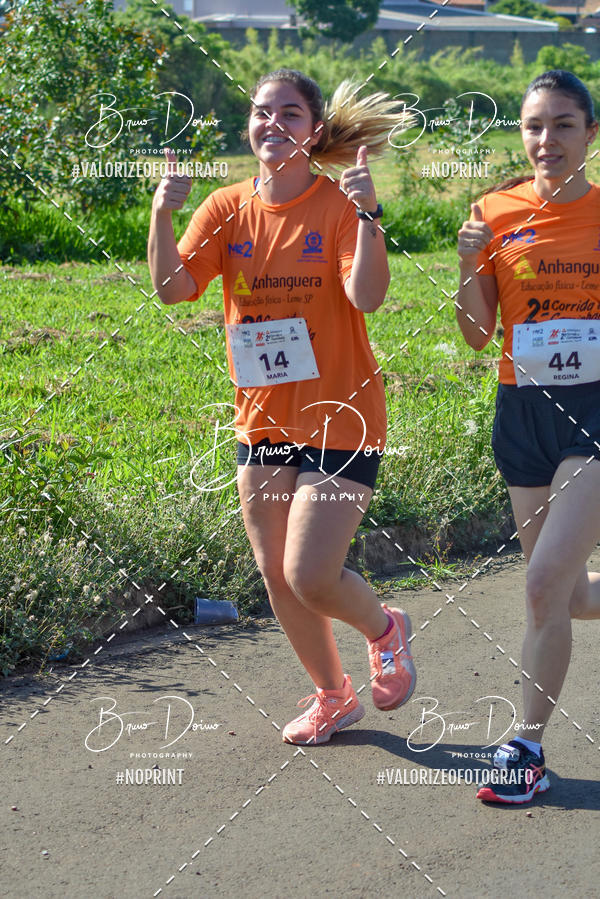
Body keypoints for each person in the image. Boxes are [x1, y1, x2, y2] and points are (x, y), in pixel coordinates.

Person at [148, 69, 417, 745]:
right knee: (276, 572)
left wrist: (367, 215)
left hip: (342, 418)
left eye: (289, 114)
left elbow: (367, 296)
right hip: (263, 418)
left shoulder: (335, 206)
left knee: (309, 572)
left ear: (314, 130)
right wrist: (162, 212)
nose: (273, 125)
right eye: (262, 113)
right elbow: (174, 289)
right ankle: (334, 695)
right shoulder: (227, 206)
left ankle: (385, 629)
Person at [456, 69, 600, 802]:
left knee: (540, 586)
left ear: (591, 135)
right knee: (570, 595)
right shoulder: (493, 212)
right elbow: (478, 335)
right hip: (523, 414)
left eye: (564, 125)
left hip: (596, 414)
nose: (547, 140)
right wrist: (465, 261)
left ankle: (525, 749)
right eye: (534, 126)